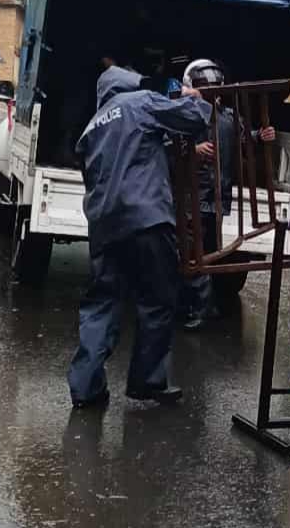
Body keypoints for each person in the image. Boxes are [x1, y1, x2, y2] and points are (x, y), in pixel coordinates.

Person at [67, 65, 212, 409]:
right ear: (130, 84)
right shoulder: (140, 102)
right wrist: (195, 98)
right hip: (146, 218)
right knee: (158, 298)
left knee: (101, 303)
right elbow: (192, 118)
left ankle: (85, 388)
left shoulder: (90, 128)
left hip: (104, 225)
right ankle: (147, 381)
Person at [176, 59, 275, 331]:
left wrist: (260, 136)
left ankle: (201, 308)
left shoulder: (229, 118)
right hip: (197, 197)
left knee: (202, 255)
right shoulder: (185, 113)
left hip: (210, 199)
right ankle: (200, 306)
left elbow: (243, 139)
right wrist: (193, 150)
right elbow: (169, 145)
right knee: (197, 255)